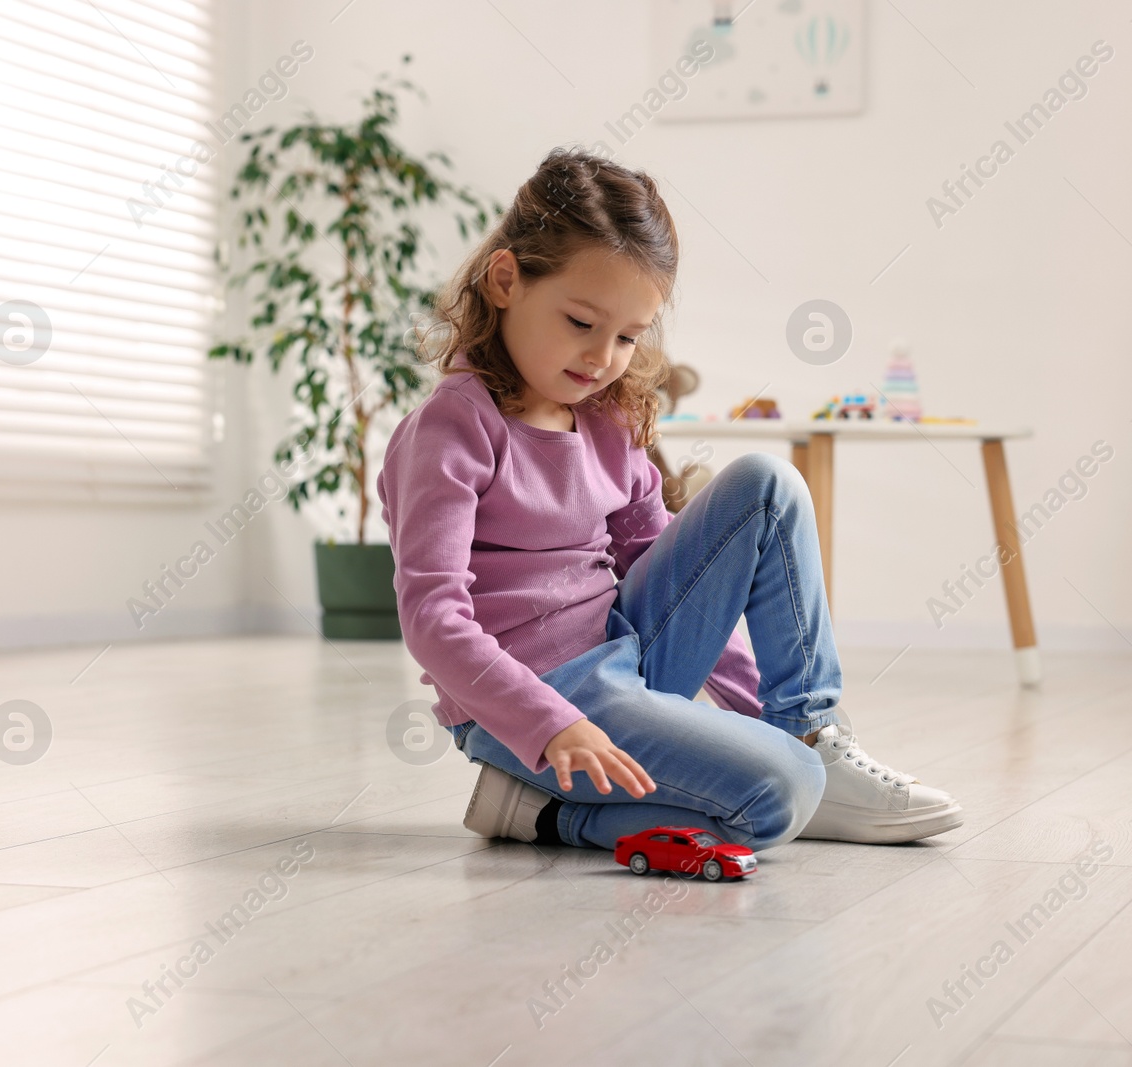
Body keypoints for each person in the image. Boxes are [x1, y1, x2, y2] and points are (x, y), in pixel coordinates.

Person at [375, 147, 962, 855]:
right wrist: (549, 723)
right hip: (530, 703)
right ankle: (544, 810)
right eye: (581, 322)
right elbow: (432, 619)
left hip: (627, 650)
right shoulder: (450, 429)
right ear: (506, 280)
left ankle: (817, 738)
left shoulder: (604, 416)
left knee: (766, 487)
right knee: (779, 793)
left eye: (627, 335)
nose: (601, 357)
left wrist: (767, 719)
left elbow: (676, 567)